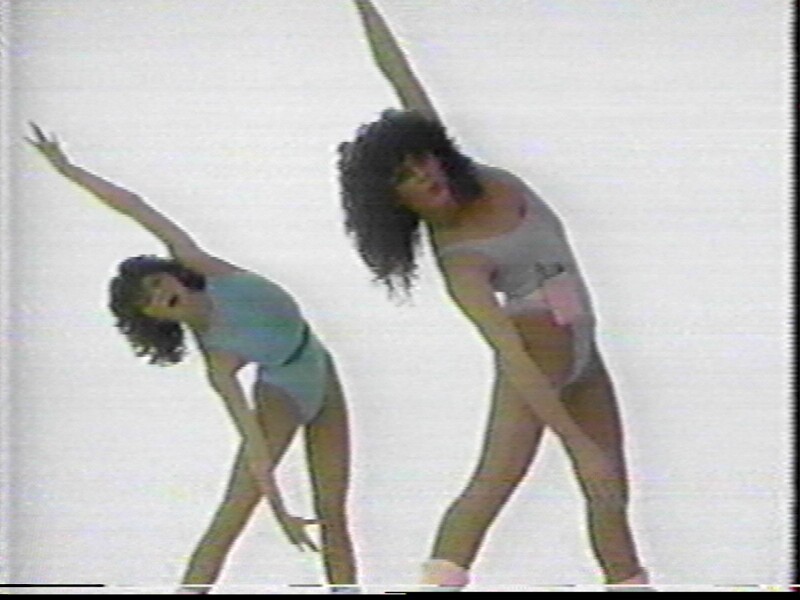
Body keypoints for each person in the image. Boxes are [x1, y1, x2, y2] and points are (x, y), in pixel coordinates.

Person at [337, 1, 651, 591]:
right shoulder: (462, 259)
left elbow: (399, 73)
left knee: (610, 495)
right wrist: (574, 443)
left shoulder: (472, 173)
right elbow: (511, 355)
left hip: (585, 353)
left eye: (420, 161)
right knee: (491, 487)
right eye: (404, 179)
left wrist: (364, 6)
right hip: (536, 359)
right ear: (394, 203)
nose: (423, 176)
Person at [26, 123, 358, 594]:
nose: (160, 293)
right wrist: (280, 510)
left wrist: (69, 170)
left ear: (172, 275)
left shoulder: (201, 265)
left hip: (321, 367)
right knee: (234, 513)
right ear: (155, 319)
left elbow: (137, 207)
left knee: (334, 514)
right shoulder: (218, 359)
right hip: (282, 390)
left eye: (157, 282)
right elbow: (255, 448)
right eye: (149, 300)